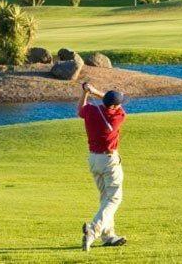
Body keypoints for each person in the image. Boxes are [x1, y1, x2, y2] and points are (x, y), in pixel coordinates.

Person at [78, 82, 128, 251]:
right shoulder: (118, 116)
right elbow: (115, 105)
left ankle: (109, 236)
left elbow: (80, 109)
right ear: (114, 106)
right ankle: (93, 230)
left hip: (93, 159)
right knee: (114, 198)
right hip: (109, 160)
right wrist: (96, 92)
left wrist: (86, 92)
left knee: (105, 197)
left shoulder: (91, 111)